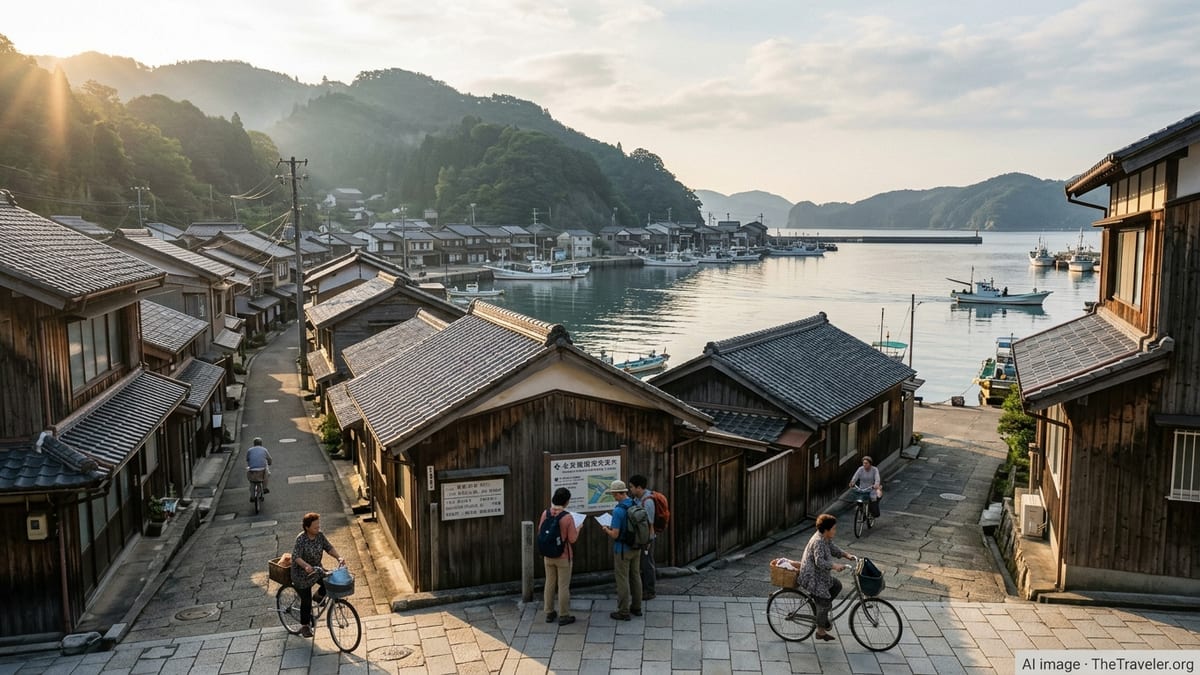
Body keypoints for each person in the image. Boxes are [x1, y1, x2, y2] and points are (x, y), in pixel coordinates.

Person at [798, 514, 855, 641]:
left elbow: (833, 548)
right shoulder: (818, 541)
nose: (835, 531)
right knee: (824, 601)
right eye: (833, 529)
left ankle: (821, 611)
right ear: (826, 530)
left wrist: (846, 555)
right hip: (812, 577)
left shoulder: (825, 537)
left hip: (820, 575)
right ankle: (820, 631)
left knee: (836, 585)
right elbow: (819, 562)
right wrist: (834, 566)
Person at [290, 512, 345, 638]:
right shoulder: (301, 539)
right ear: (307, 527)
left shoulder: (320, 536)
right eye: (315, 527)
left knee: (330, 581)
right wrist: (306, 566)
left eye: (318, 526)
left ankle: (318, 597)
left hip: (316, 570)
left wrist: (339, 557)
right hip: (301, 574)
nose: (318, 528)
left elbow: (329, 548)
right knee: (306, 600)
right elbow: (296, 556)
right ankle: (305, 626)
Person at [600, 480, 642, 621]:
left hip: (622, 550)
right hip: (636, 546)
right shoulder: (635, 504)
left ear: (619, 494)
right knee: (635, 576)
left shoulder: (618, 511)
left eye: (614, 494)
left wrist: (606, 529)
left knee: (622, 579)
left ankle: (623, 611)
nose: (613, 497)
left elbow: (615, 534)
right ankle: (637, 607)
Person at [538, 487, 579, 626]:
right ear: (566, 502)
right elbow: (572, 539)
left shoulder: (546, 513)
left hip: (548, 555)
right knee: (563, 586)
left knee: (549, 583)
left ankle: (549, 612)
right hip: (563, 556)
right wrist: (578, 528)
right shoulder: (567, 517)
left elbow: (540, 531)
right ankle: (564, 615)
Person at [628, 474, 657, 600]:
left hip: (646, 538)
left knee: (647, 564)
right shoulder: (637, 498)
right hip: (640, 536)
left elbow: (651, 523)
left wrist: (649, 540)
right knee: (642, 564)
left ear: (639, 488)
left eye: (631, 487)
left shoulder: (647, 501)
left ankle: (650, 591)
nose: (630, 489)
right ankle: (643, 589)